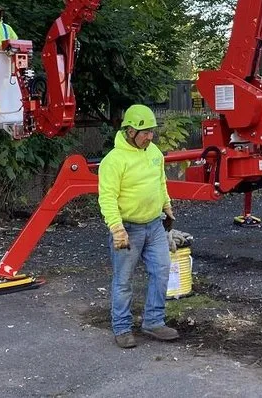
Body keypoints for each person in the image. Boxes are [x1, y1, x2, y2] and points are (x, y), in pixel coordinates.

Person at [98, 104, 178, 348]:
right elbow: (107, 197)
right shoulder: (114, 160)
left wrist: (167, 207)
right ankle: (121, 328)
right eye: (145, 132)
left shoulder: (154, 152)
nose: (150, 136)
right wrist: (116, 227)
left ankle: (153, 321)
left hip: (154, 226)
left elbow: (160, 182)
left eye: (152, 131)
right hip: (128, 228)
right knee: (123, 281)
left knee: (162, 271)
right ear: (130, 131)